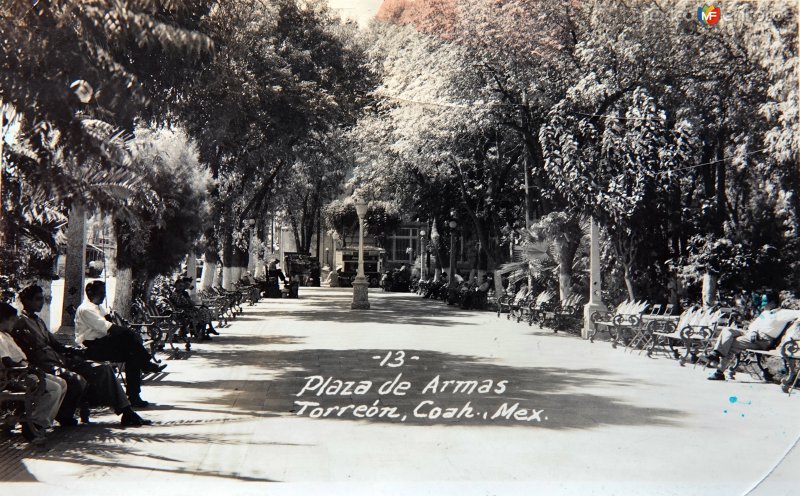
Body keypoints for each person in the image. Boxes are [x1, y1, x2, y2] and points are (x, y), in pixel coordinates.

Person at [12, 285, 151, 426]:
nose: (42, 302)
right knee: (76, 379)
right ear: (27, 301)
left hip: (61, 359)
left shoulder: (39, 321)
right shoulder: (21, 323)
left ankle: (126, 412)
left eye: (43, 299)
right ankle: (64, 414)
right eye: (38, 299)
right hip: (44, 364)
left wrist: (75, 350)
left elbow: (56, 345)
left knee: (103, 369)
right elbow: (24, 351)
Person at [75, 281, 166, 406]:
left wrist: (110, 318)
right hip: (91, 347)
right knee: (129, 337)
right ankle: (146, 365)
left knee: (132, 356)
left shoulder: (98, 307)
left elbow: (109, 322)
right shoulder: (86, 309)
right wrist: (130, 333)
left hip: (102, 344)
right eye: (101, 293)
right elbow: (109, 328)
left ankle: (134, 396)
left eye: (104, 293)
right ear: (90, 292)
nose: (103, 296)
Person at [0, 302, 67, 444]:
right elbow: (7, 362)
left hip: (22, 372)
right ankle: (33, 425)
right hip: (14, 376)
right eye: (12, 320)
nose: (14, 324)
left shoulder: (6, 335)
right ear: (3, 319)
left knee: (62, 383)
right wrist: (29, 369)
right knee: (54, 388)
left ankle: (40, 421)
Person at [707, 296, 798, 380]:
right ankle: (716, 354)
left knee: (731, 342)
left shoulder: (783, 313)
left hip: (762, 340)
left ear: (773, 303)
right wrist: (753, 331)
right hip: (752, 334)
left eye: (765, 301)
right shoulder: (765, 313)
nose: (762, 303)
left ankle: (719, 371)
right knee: (727, 330)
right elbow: (753, 325)